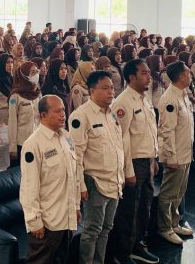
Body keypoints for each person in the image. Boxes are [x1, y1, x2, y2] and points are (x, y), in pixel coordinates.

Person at [69, 70, 124, 264]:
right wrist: (81, 186)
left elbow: (118, 146)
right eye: (105, 88)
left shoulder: (111, 114)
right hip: (95, 182)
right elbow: (76, 155)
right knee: (92, 230)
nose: (111, 92)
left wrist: (122, 174)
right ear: (92, 90)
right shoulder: (81, 116)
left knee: (106, 228)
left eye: (112, 88)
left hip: (114, 180)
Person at [109, 59, 160, 264]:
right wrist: (127, 170)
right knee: (129, 209)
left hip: (146, 160)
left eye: (149, 72)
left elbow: (150, 131)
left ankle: (138, 244)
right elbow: (121, 139)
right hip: (133, 163)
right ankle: (123, 252)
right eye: (144, 73)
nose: (149, 76)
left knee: (144, 206)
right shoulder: (123, 102)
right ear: (132, 77)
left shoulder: (144, 98)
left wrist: (154, 159)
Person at [20, 95, 80, 264]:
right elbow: (29, 187)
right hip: (48, 220)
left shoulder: (67, 137)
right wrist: (34, 220)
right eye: (57, 111)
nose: (63, 114)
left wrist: (75, 206)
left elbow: (73, 175)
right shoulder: (33, 144)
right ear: (43, 115)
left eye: (63, 110)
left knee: (62, 259)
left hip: (66, 216)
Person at [156, 61, 195, 245]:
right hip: (175, 155)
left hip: (185, 151)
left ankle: (174, 222)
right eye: (188, 73)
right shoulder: (170, 99)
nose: (190, 75)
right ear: (181, 77)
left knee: (179, 192)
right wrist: (171, 157)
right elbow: (167, 130)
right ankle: (164, 228)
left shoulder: (182, 94)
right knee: (168, 194)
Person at [8, 61, 41, 165]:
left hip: (37, 141)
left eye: (37, 71)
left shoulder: (37, 94)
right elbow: (12, 122)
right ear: (24, 75)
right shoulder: (15, 96)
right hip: (22, 143)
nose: (36, 75)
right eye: (32, 72)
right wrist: (12, 147)